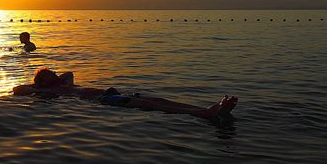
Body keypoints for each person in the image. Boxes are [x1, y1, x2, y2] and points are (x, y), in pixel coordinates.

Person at [13, 68, 238, 120]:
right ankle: (207, 114)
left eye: (52, 71)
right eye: (48, 73)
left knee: (155, 99)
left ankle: (205, 110)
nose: (54, 73)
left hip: (111, 93)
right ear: (42, 82)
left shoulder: (63, 84)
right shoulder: (50, 90)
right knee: (151, 104)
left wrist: (53, 78)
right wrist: (39, 86)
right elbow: (17, 90)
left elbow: (69, 73)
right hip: (105, 100)